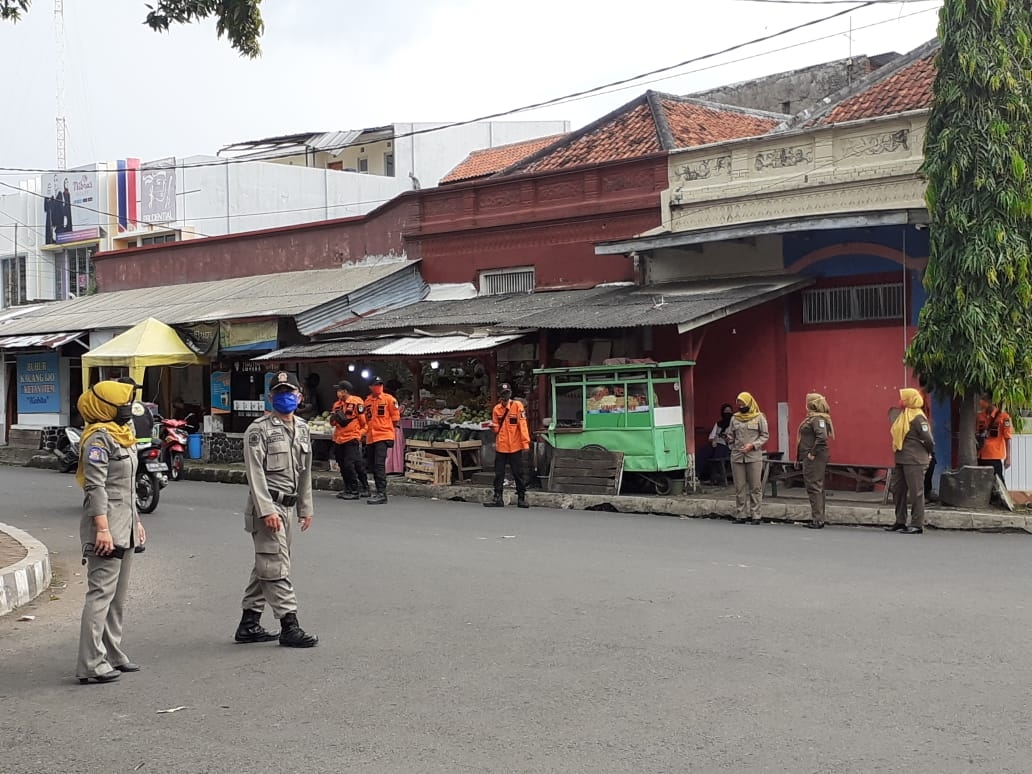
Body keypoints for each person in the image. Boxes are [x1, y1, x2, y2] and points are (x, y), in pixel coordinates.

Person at [235, 371, 318, 648]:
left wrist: (306, 508)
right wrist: (266, 510)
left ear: (299, 396)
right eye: (279, 392)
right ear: (270, 397)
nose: (285, 397)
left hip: (289, 507)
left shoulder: (303, 429)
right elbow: (254, 474)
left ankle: (249, 624)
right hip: (268, 507)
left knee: (269, 562)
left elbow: (304, 473)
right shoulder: (258, 431)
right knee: (276, 564)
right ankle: (289, 624)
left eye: (290, 392)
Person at [75, 380, 146, 684]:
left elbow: (128, 488)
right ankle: (90, 662)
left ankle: (112, 652)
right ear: (105, 407)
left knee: (117, 596)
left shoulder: (123, 435)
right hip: (106, 527)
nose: (128, 409)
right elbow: (95, 487)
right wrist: (102, 529)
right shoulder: (98, 440)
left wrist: (138, 522)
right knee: (100, 594)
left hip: (125, 525)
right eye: (122, 403)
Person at [885, 387, 935, 535]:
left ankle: (916, 523)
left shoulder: (918, 417)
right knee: (898, 490)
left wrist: (929, 453)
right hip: (901, 458)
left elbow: (929, 440)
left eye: (904, 398)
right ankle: (900, 521)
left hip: (915, 460)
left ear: (910, 400)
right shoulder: (904, 415)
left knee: (916, 492)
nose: (901, 401)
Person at [484, 383, 531, 509]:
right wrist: (493, 427)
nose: (506, 396)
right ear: (500, 396)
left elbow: (523, 426)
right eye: (503, 394)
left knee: (518, 473)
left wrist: (525, 443)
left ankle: (521, 498)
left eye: (507, 393)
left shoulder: (517, 406)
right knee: (499, 473)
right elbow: (497, 427)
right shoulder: (497, 409)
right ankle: (497, 497)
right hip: (502, 446)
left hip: (515, 446)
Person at [726, 391, 769, 524]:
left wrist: (753, 445)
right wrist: (729, 438)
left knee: (755, 487)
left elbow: (765, 435)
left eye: (743, 403)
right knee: (740, 487)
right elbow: (730, 434)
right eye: (739, 404)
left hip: (753, 456)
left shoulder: (759, 417)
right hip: (737, 456)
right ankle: (741, 514)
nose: (741, 406)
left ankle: (756, 515)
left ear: (749, 403)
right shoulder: (735, 418)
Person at [796, 393, 834, 529]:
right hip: (812, 456)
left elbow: (822, 438)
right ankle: (819, 517)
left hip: (814, 457)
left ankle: (817, 519)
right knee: (817, 487)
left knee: (814, 487)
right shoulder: (814, 418)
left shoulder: (817, 419)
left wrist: (812, 453)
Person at [363, 376, 400, 505]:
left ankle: (381, 493)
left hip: (383, 435)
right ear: (370, 387)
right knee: (372, 464)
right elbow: (366, 419)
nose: (378, 387)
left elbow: (395, 419)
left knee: (379, 464)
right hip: (371, 436)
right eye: (375, 385)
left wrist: (386, 429)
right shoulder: (367, 401)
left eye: (380, 384)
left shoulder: (389, 400)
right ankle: (378, 491)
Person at [330, 380, 369, 500]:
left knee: (349, 464)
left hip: (351, 438)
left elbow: (364, 423)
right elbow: (332, 423)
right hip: (338, 439)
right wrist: (333, 418)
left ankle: (354, 490)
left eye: (339, 390)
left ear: (344, 391)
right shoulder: (337, 405)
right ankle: (348, 487)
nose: (337, 393)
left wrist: (358, 435)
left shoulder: (356, 402)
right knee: (344, 464)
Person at [976, 393, 1012, 483]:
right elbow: (976, 433)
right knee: (982, 483)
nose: (981, 402)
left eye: (984, 399)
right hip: (980, 456)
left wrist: (1008, 457)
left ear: (991, 401)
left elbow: (1008, 438)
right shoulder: (979, 416)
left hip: (994, 457)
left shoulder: (1004, 417)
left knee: (998, 484)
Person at [696, 404, 734, 485]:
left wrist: (728, 439)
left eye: (729, 411)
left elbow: (736, 438)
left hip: (728, 447)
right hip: (715, 444)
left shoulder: (734, 424)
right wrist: (713, 441)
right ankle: (697, 475)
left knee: (718, 453)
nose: (727, 413)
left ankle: (716, 477)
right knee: (702, 452)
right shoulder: (718, 424)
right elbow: (711, 437)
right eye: (725, 411)